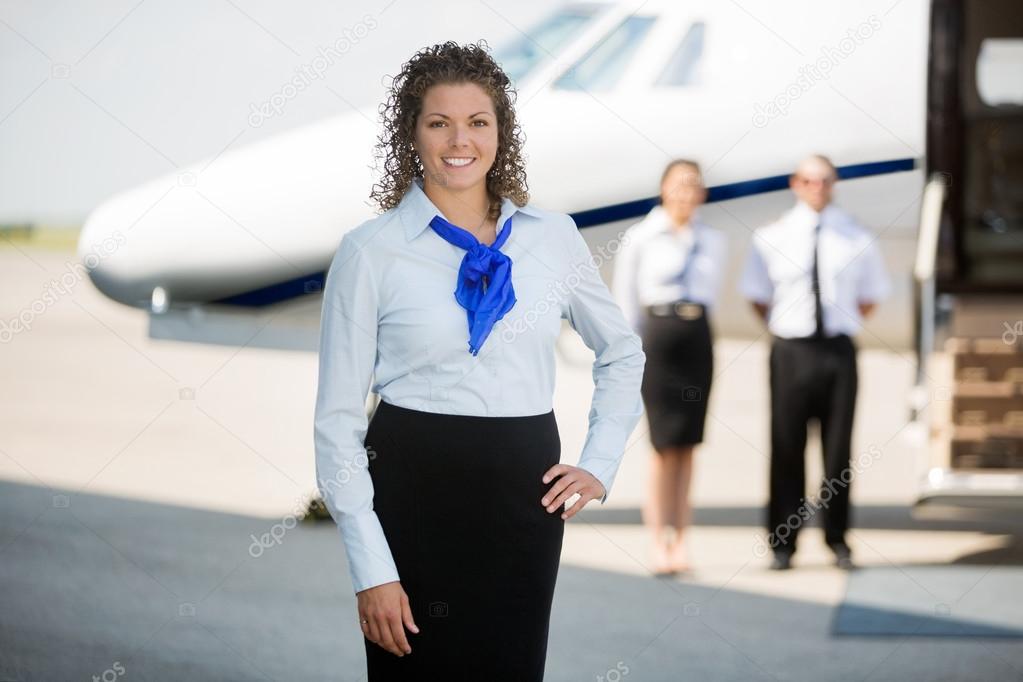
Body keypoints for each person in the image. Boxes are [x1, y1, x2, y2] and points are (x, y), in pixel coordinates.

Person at [313, 41, 645, 681]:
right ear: (412, 133)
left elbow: (622, 352)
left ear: (501, 134)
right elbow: (336, 420)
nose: (458, 139)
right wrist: (372, 569)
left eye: (477, 122)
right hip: (412, 488)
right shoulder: (370, 252)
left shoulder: (553, 238)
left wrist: (599, 462)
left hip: (524, 498)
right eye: (438, 122)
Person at [739, 154, 889, 571]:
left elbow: (872, 294)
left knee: (838, 451)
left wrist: (841, 325)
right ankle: (783, 544)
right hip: (791, 350)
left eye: (824, 181)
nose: (817, 188)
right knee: (786, 446)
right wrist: (785, 326)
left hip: (837, 351)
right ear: (795, 184)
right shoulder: (773, 235)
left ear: (833, 184)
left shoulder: (855, 236)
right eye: (809, 181)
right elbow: (757, 293)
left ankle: (838, 539)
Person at [612, 160, 726, 576]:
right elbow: (626, 301)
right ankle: (659, 540)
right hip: (658, 341)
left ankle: (682, 540)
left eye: (693, 186)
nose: (685, 193)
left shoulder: (712, 240)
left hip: (697, 338)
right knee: (663, 446)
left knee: (688, 446)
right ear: (663, 189)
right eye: (678, 185)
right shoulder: (641, 237)